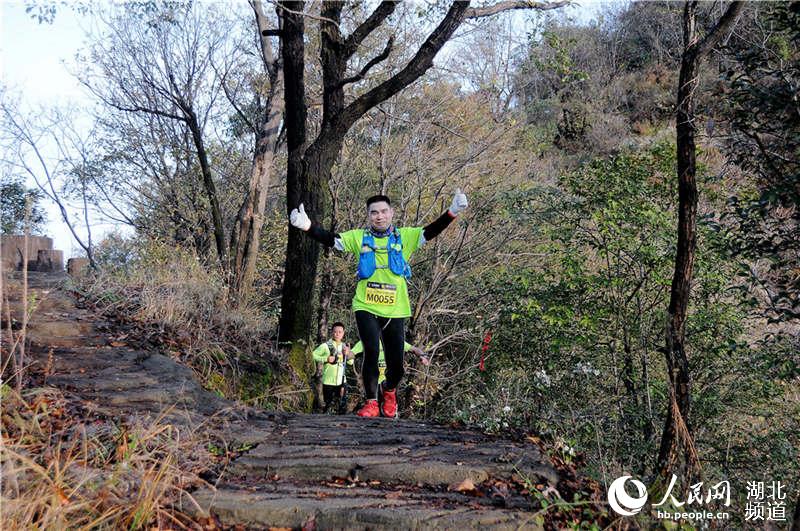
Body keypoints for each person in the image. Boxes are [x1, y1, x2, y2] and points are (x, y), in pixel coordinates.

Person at [290, 190, 467, 417]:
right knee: (371, 351)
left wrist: (452, 212)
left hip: (396, 308)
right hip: (366, 305)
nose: (379, 216)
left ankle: (389, 389)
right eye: (374, 213)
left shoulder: (405, 237)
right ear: (369, 216)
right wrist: (307, 226)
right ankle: (372, 402)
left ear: (392, 213)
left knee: (397, 365)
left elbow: (430, 231)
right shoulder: (359, 237)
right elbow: (333, 239)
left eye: (384, 212)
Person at [311, 322, 354, 414]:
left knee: (342, 405)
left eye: (340, 332)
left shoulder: (345, 347)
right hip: (328, 381)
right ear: (332, 332)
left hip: (342, 381)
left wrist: (347, 354)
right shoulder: (326, 346)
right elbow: (313, 355)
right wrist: (325, 359)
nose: (337, 334)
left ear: (343, 333)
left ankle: (342, 425)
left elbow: (351, 362)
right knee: (327, 404)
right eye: (335, 332)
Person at [351, 339, 429, 386]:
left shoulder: (394, 340)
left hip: (389, 383)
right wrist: (346, 353)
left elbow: (414, 349)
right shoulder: (365, 341)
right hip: (372, 383)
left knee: (388, 410)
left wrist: (422, 355)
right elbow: (351, 354)